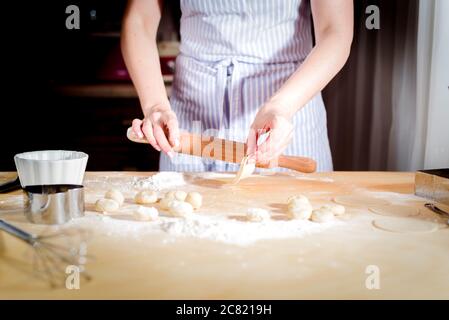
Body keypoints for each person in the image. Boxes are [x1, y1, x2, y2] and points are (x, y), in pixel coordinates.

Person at [121, 0, 353, 172]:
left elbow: (336, 31)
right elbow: (140, 19)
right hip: (191, 113)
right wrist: (155, 106)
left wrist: (280, 107)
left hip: (287, 109)